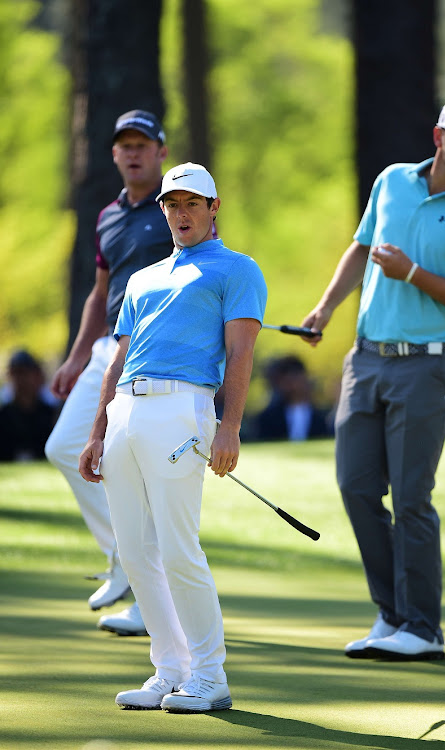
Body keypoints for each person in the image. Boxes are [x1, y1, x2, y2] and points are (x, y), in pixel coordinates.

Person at [302, 94, 445, 661]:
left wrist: (412, 273)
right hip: (366, 359)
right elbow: (362, 248)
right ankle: (392, 616)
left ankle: (423, 627)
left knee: (413, 497)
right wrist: (324, 310)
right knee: (356, 487)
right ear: (437, 134)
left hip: (428, 364)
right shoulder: (392, 180)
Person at [79, 162, 267, 712]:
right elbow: (118, 361)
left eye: (192, 203)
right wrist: (96, 432)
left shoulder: (237, 270)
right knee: (135, 553)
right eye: (171, 204)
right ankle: (169, 670)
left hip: (183, 409)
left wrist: (228, 426)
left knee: (179, 548)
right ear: (162, 210)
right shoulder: (142, 278)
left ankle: (210, 676)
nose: (180, 213)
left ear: (214, 208)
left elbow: (240, 353)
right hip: (126, 413)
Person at [45, 110, 171, 636]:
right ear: (115, 154)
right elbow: (101, 292)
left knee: (137, 475)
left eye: (143, 143)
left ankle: (148, 602)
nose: (134, 152)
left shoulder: (177, 207)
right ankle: (122, 558)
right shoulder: (108, 217)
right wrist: (76, 357)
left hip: (152, 354)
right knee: (64, 447)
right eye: (125, 145)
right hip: (106, 349)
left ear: (161, 151)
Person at [253, 355, 332, 441]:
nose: (293, 385)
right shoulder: (267, 418)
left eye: (296, 378)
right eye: (288, 380)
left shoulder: (322, 418)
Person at [0, 350, 58, 462]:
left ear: (38, 376)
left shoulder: (50, 415)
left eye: (24, 373)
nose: (20, 380)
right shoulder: (4, 416)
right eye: (15, 373)